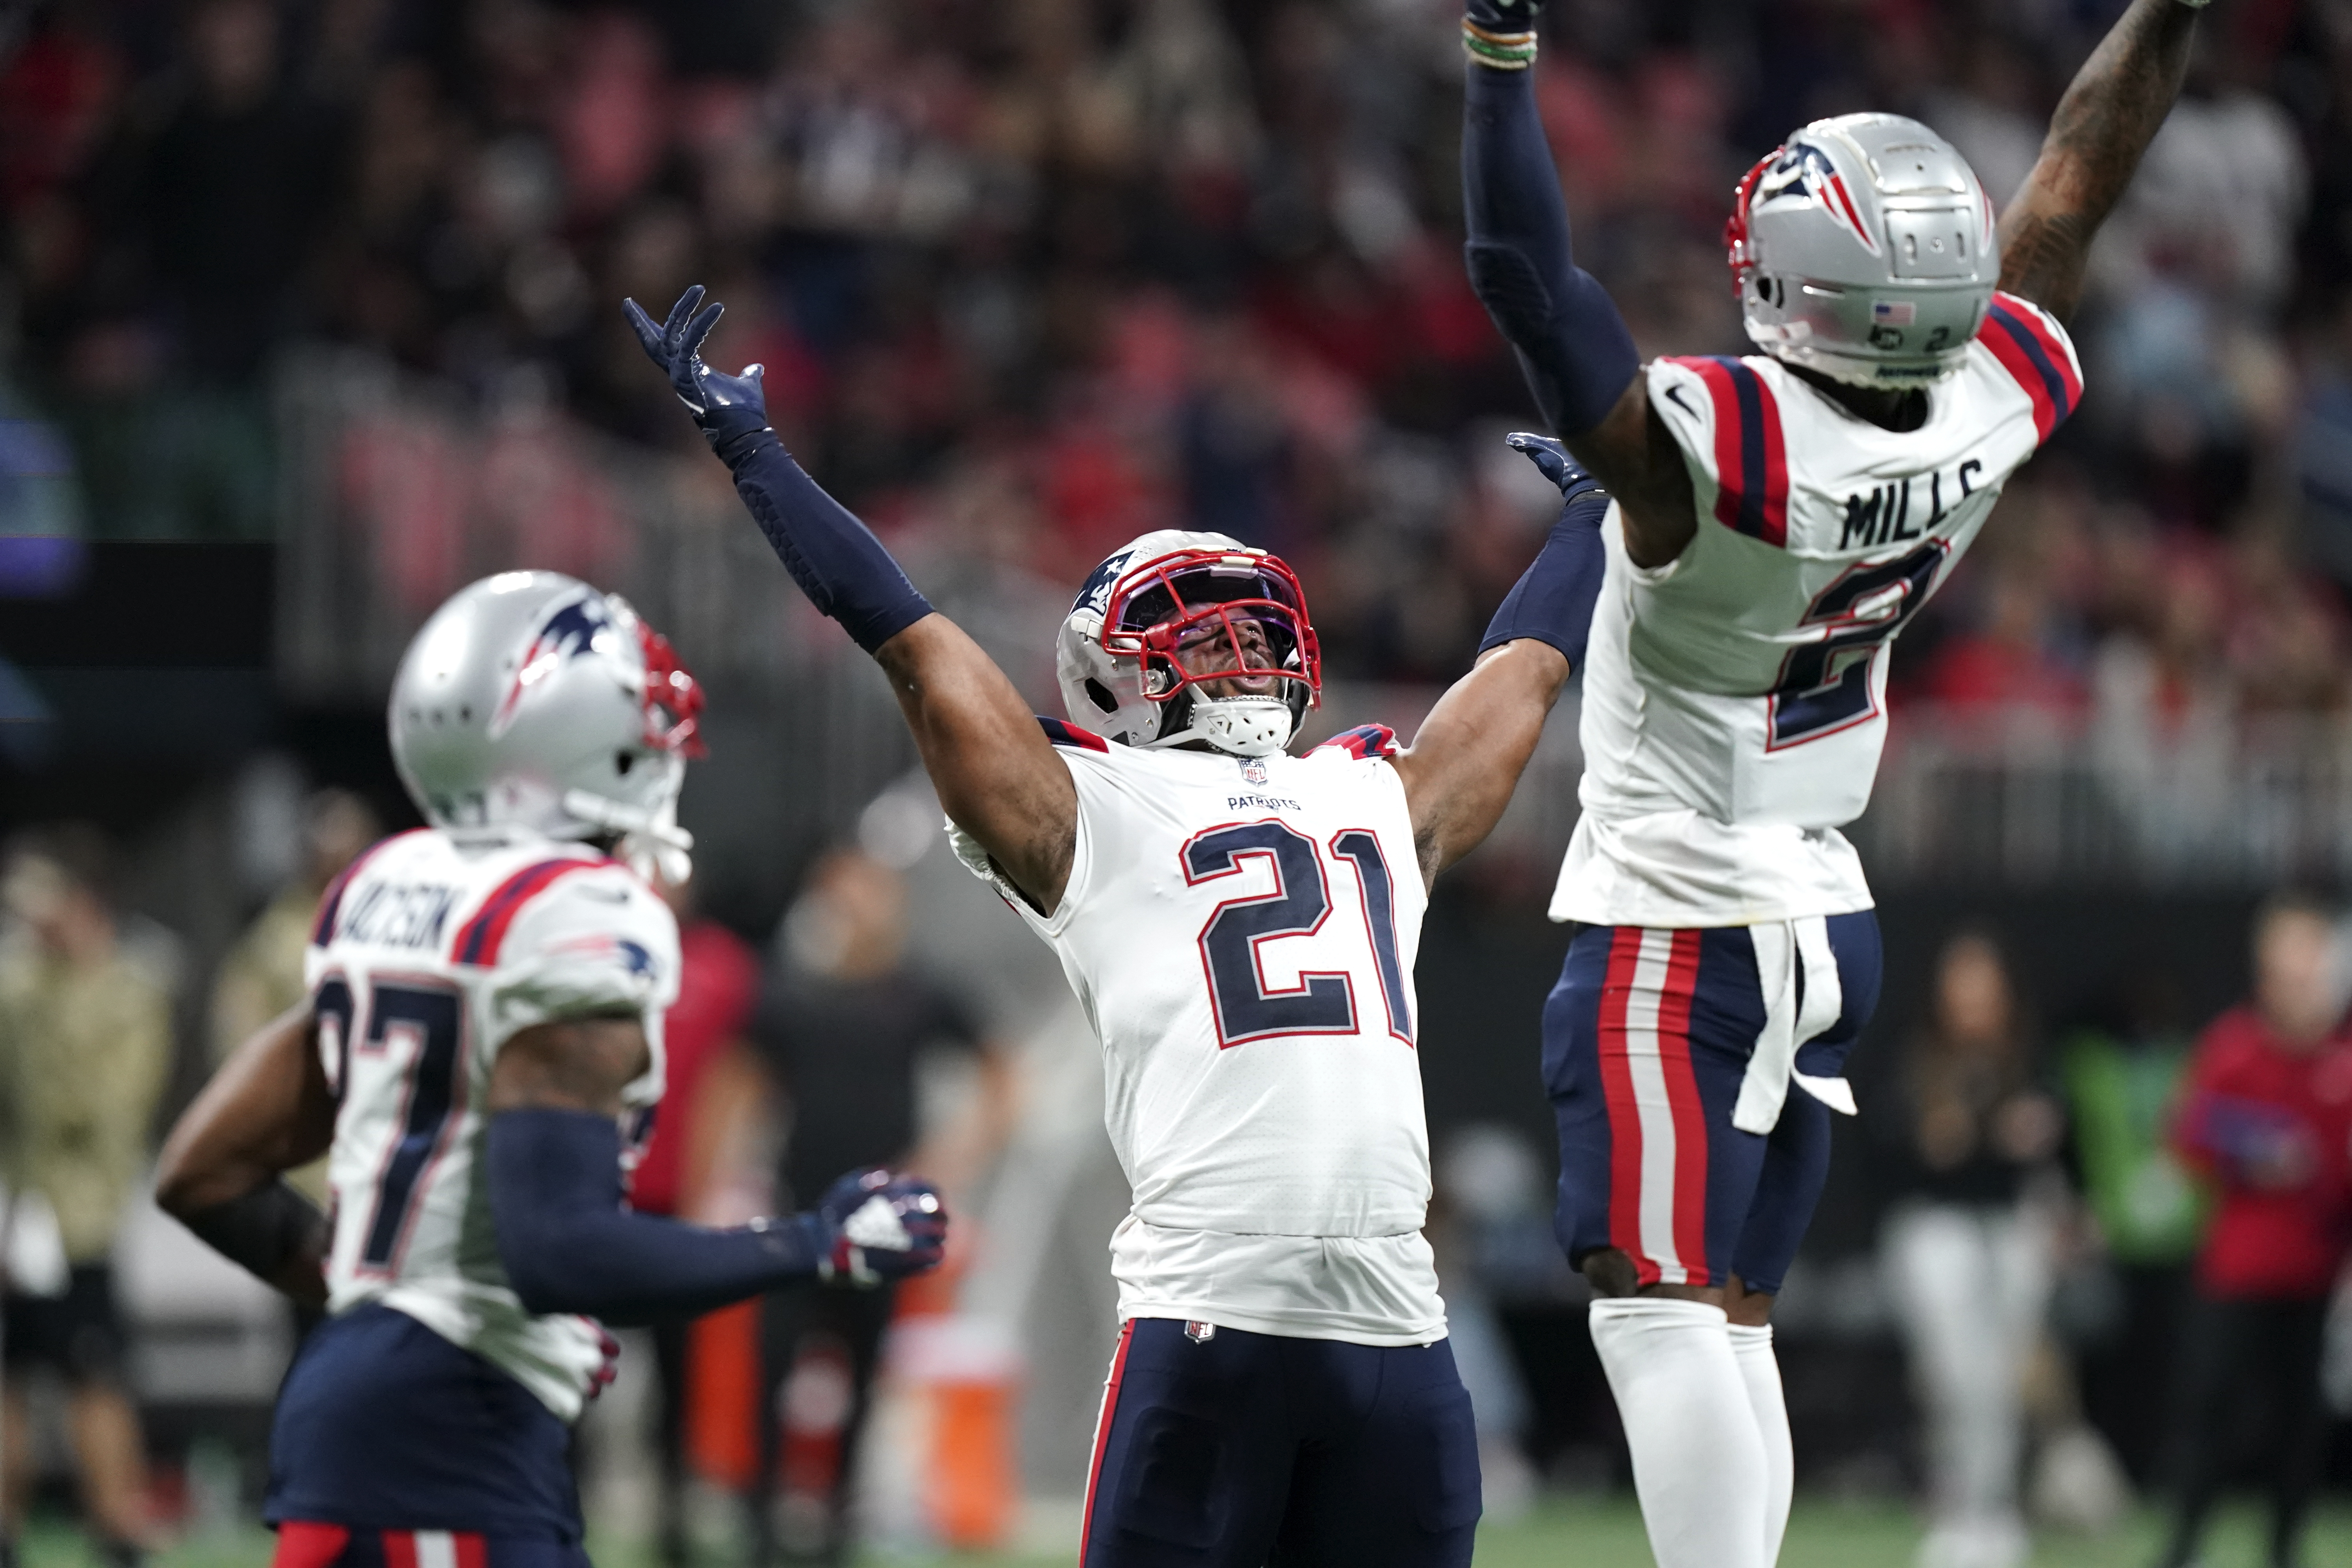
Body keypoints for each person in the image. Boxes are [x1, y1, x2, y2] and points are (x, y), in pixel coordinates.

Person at [625, 273, 1612, 1566]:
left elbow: (907, 636)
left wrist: (754, 451)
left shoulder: (1092, 806)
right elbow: (1527, 671)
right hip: (1394, 1339)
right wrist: (1591, 519)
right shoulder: (1373, 794)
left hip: (1226, 1323)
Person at [1455, 1, 2203, 1564]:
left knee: (1656, 1317)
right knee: (1733, 1320)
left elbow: (1526, 277)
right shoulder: (1984, 407)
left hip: (1682, 916)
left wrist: (1503, 55)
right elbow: (2073, 181)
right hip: (1825, 911)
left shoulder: (1717, 441)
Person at [152, 572, 947, 1568]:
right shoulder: (578, 909)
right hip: (451, 1433)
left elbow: (203, 1168)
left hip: (371, 1406)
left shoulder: (387, 880)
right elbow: (557, 1252)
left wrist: (393, 1296)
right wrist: (813, 1241)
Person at [738, 847, 1009, 1566]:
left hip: (883, 1223)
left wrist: (942, 1165)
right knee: (774, 1365)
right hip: (799, 1214)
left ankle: (836, 1520)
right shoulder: (792, 995)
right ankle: (762, 1520)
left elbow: (1001, 1074)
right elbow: (737, 1082)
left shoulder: (917, 994)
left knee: (863, 1370)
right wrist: (721, 1179)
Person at [2156, 893, 2352, 1568]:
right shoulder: (2234, 1046)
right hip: (2236, 1271)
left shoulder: (2342, 1061)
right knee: (2209, 1413)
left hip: (2314, 1276)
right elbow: (2186, 1132)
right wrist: (2253, 1145)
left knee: (2299, 1426)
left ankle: (2285, 1551)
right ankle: (2181, 1547)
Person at [0, 825, 174, 1568]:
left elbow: (100, 1107)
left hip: (82, 1216)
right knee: (9, 1373)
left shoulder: (126, 991)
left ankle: (119, 1527)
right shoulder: (19, 986)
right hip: (18, 1207)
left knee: (93, 1374)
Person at [1873, 931, 2066, 1568]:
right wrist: (1935, 1140)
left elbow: (2060, 1136)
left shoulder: (2029, 1056)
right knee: (1956, 1377)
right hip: (1937, 1227)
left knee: (2004, 1379)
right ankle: (1956, 1507)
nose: (1974, 997)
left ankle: (1997, 1511)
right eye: (1962, 982)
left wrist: (2037, 1131)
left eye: (1985, 983)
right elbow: (1884, 1146)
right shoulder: (1917, 1057)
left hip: (2012, 1225)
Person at [622, 869, 761, 1568]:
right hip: (602, 1196)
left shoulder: (720, 968)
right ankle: (557, 1502)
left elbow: (746, 1076)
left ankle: (674, 1517)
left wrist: (721, 1179)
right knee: (571, 1362)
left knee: (680, 1380)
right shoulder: (596, 951)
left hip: (682, 1200)